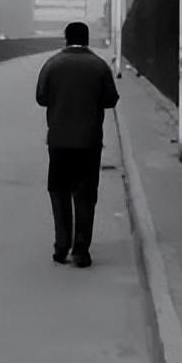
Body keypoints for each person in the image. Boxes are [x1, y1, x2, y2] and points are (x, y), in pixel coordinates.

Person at [36, 22, 119, 268]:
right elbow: (111, 100)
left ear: (65, 38)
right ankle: (81, 251)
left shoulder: (52, 64)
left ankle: (61, 246)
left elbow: (41, 97)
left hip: (59, 141)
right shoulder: (99, 66)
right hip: (89, 141)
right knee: (85, 195)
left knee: (59, 192)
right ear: (87, 39)